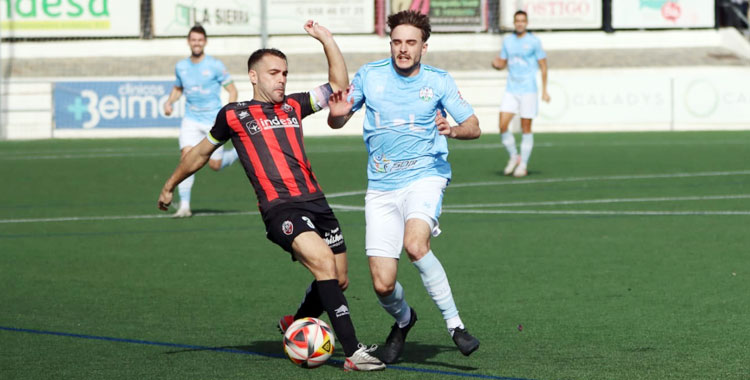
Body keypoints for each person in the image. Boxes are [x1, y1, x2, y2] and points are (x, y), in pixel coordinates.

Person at [157, 21, 385, 372]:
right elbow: (200, 153)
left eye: (285, 73)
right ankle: (354, 352)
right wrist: (171, 183)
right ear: (253, 76)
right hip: (280, 208)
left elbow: (339, 86)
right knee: (323, 262)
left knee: (338, 279)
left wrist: (327, 38)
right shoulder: (234, 115)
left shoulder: (294, 105)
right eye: (274, 73)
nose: (282, 80)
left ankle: (294, 323)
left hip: (317, 202)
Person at [326, 10, 481, 364]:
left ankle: (455, 325)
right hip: (381, 187)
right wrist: (336, 113)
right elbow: (338, 120)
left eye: (411, 42)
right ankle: (404, 320)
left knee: (415, 244)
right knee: (382, 284)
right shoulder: (370, 76)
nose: (403, 49)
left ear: (424, 47)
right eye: (397, 42)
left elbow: (474, 125)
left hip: (425, 175)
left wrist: (453, 130)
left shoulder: (438, 82)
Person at [163, 25, 239, 218]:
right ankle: (185, 206)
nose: (196, 43)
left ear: (204, 42)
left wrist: (229, 115)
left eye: (200, 40)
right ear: (189, 42)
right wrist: (170, 101)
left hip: (213, 122)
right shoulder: (181, 66)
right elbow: (178, 88)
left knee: (215, 165)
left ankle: (236, 154)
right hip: (191, 120)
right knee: (186, 159)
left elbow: (232, 90)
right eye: (193, 40)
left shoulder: (215, 65)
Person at [491, 10, 549, 178]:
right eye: (517, 21)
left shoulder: (534, 42)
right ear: (514, 22)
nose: (520, 23)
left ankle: (523, 164)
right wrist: (496, 65)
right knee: (502, 125)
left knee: (526, 128)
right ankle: (514, 157)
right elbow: (502, 63)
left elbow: (543, 65)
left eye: (523, 21)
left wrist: (544, 90)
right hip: (511, 89)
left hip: (528, 90)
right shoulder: (508, 41)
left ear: (527, 22)